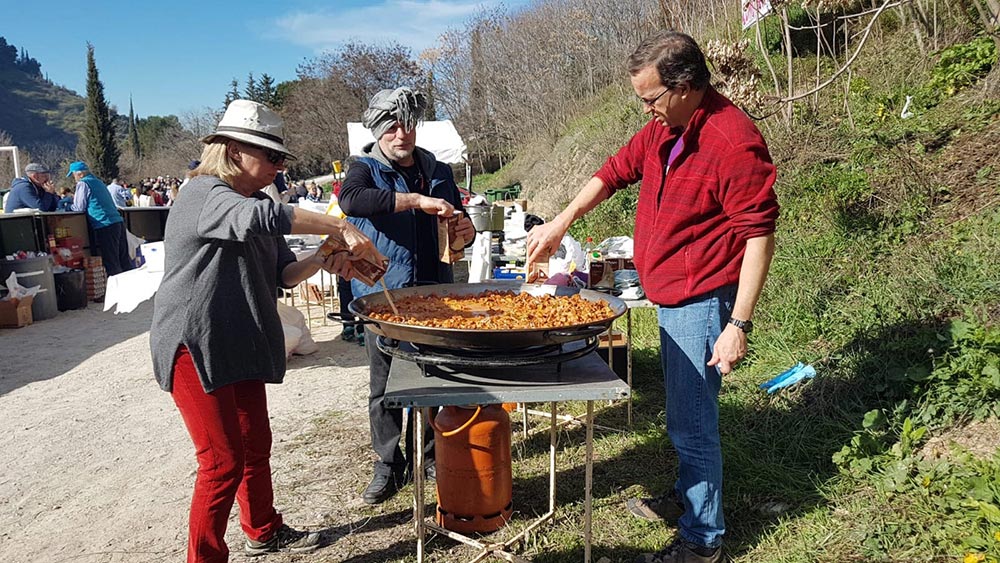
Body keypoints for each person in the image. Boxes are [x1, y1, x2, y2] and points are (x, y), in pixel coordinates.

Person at [525, 31, 779, 563]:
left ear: (685, 86)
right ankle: (688, 498)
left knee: (692, 424)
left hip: (704, 299)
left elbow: (759, 234)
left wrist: (739, 324)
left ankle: (702, 540)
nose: (646, 111)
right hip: (670, 294)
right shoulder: (666, 128)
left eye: (650, 99)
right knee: (682, 413)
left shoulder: (733, 141)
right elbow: (614, 172)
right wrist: (561, 221)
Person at [150, 99, 381, 563]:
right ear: (235, 150)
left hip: (240, 340)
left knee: (256, 445)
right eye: (272, 157)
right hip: (195, 345)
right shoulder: (203, 193)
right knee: (220, 462)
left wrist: (321, 258)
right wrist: (340, 225)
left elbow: (283, 274)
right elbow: (261, 220)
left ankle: (262, 529)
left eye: (282, 160)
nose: (279, 167)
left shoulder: (258, 201)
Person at [339, 86, 476, 505]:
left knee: (435, 375)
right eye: (393, 127)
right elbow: (351, 201)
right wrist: (414, 200)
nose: (402, 134)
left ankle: (431, 454)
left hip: (436, 294)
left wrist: (465, 230)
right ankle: (388, 463)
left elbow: (456, 215)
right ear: (379, 130)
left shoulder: (438, 169)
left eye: (408, 125)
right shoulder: (363, 168)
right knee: (384, 385)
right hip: (386, 296)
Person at [68, 161, 135, 277]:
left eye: (73, 175)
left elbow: (79, 207)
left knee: (111, 262)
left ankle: (116, 292)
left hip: (104, 223)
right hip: (117, 221)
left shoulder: (83, 184)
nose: (74, 178)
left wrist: (67, 205)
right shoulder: (99, 182)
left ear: (80, 174)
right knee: (124, 259)